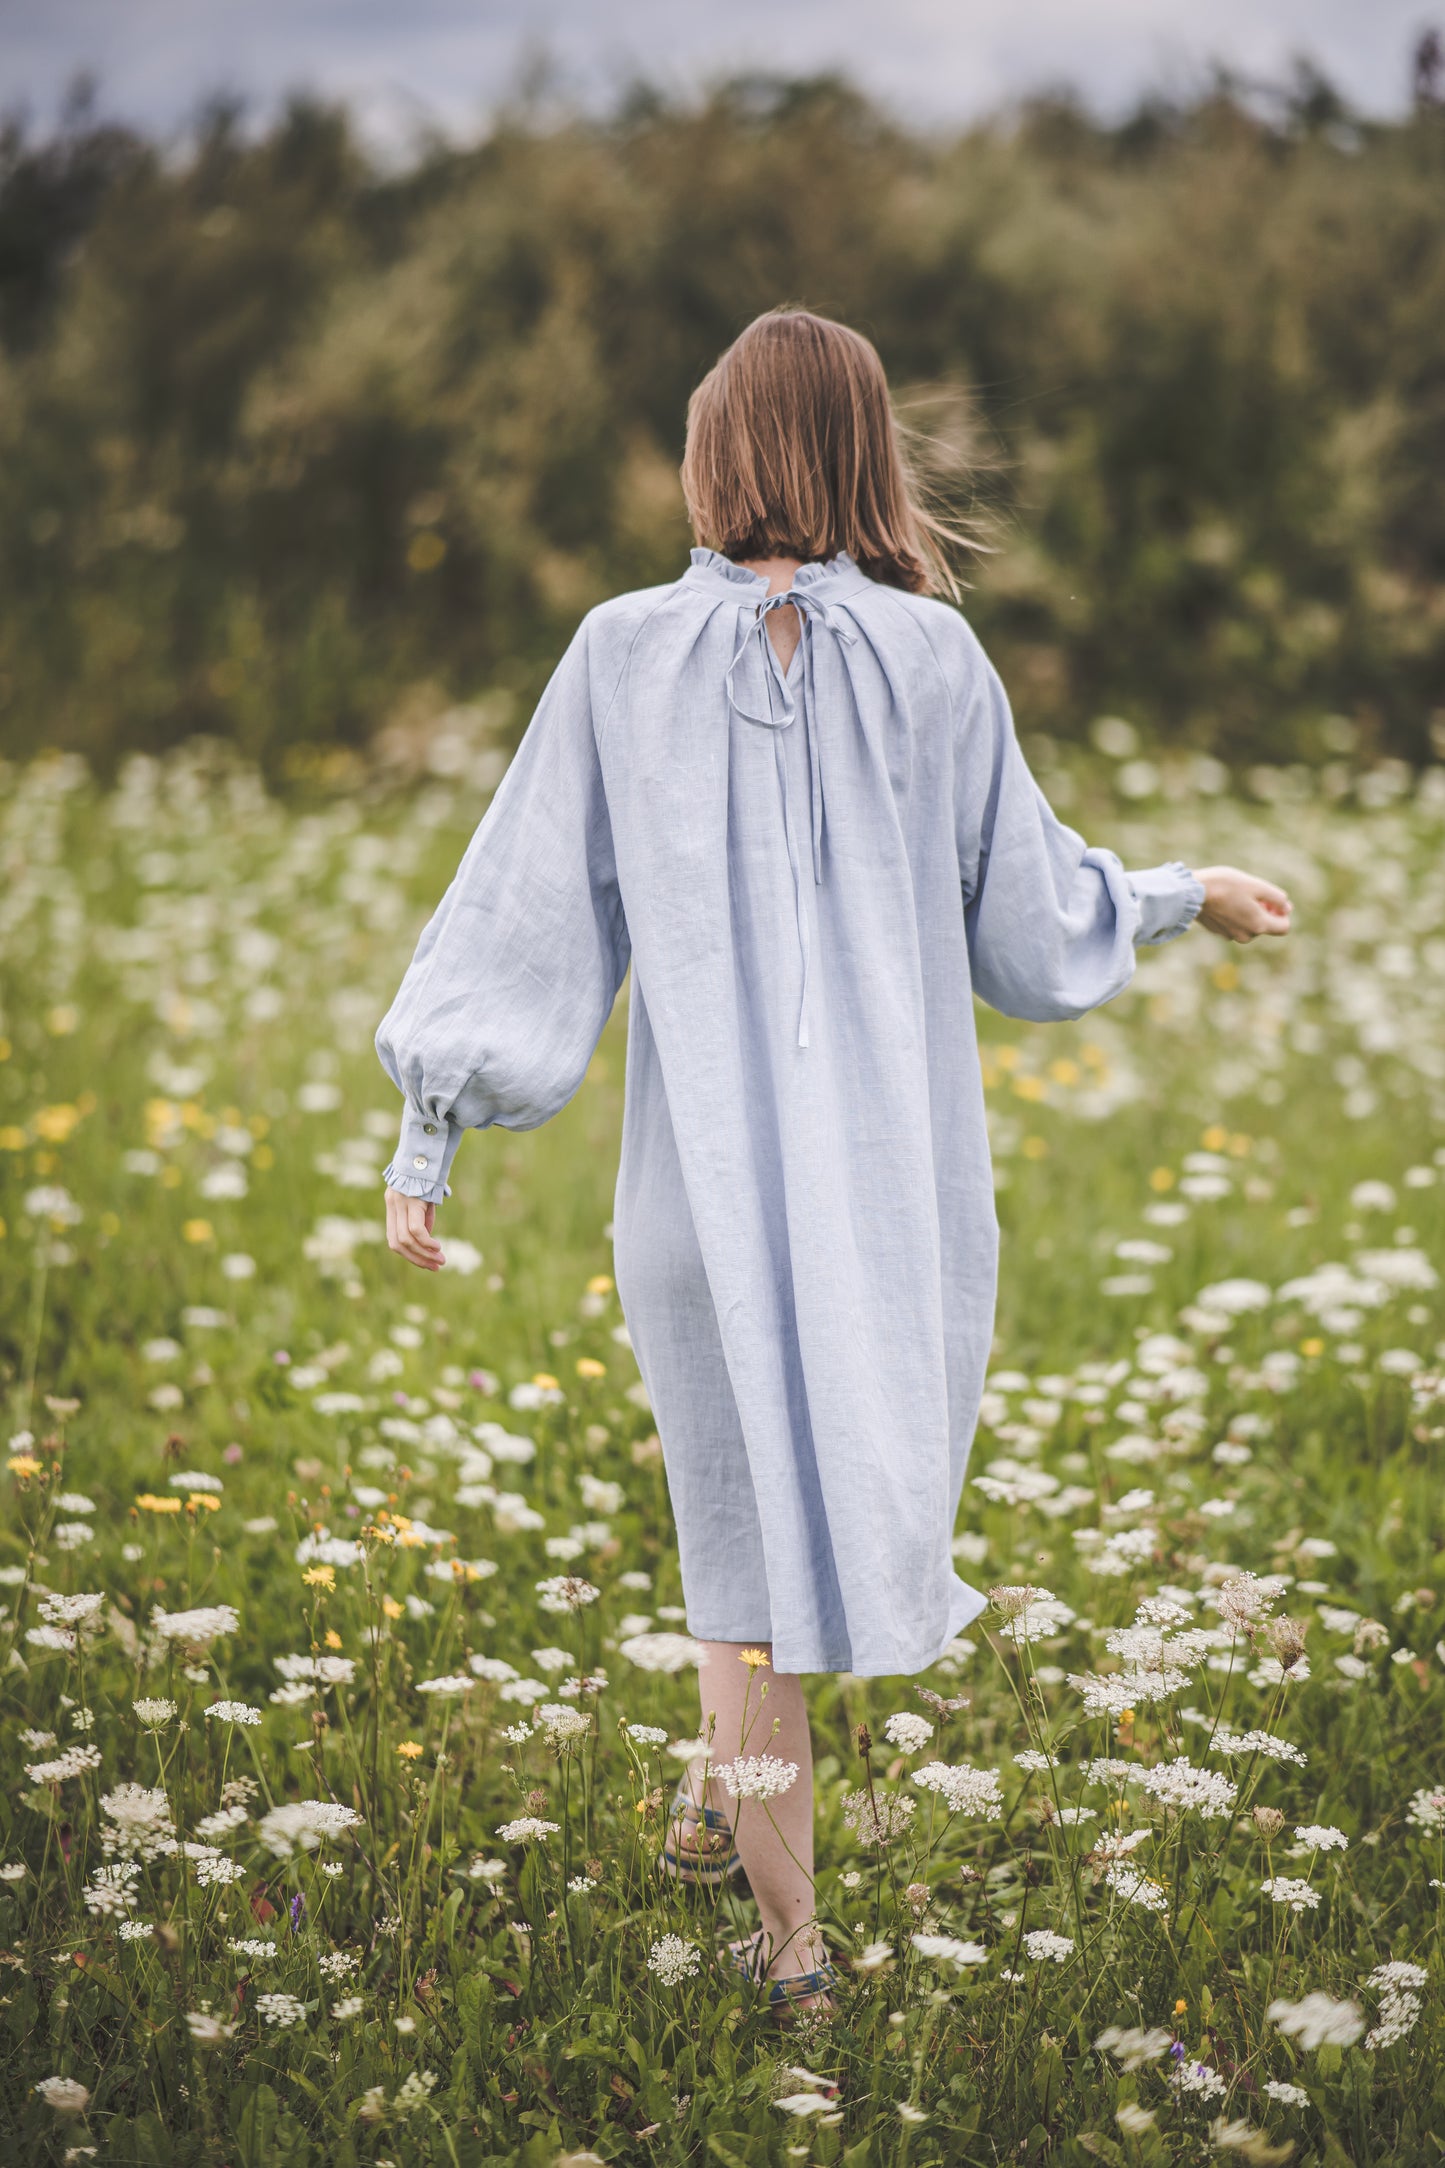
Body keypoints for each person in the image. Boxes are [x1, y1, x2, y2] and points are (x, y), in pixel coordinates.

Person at [375, 307, 1291, 2013]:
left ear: (719, 450)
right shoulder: (728, 656)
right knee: (757, 1578)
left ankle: (718, 1795)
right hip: (800, 1203)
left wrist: (1169, 894)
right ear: (871, 456)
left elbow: (528, 911)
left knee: (771, 1542)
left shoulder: (837, 660)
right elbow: (1021, 927)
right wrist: (435, 1109)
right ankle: (794, 1955)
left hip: (831, 1209)